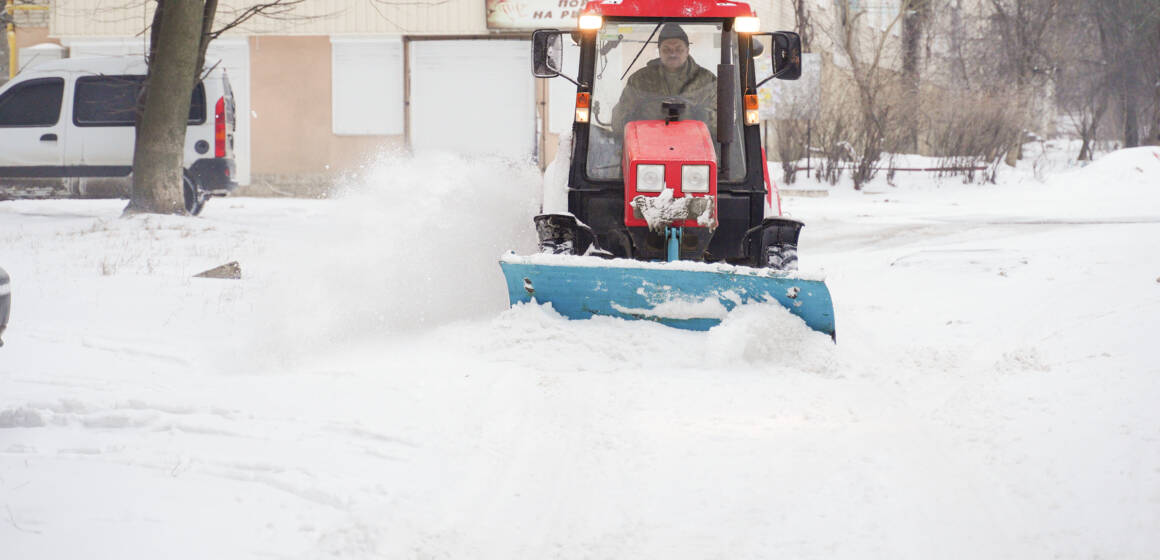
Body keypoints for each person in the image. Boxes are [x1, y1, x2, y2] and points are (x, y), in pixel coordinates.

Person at [611, 24, 718, 138]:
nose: (672, 54)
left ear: (687, 51)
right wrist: (646, 114)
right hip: (648, 145)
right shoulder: (640, 80)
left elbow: (720, 123)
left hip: (698, 147)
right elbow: (619, 123)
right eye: (666, 49)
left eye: (679, 49)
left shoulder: (706, 81)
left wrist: (694, 114)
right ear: (659, 51)